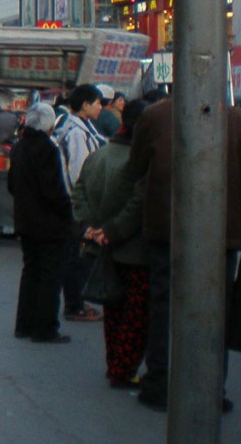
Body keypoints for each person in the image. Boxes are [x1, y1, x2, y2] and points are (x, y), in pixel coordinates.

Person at [124, 97, 241, 412]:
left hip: (168, 226)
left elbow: (134, 167)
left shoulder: (155, 116)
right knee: (218, 307)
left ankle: (161, 381)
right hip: (223, 230)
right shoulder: (235, 118)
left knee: (164, 305)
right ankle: (212, 387)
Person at [72, 99, 149, 387]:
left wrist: (91, 228)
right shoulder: (138, 164)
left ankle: (115, 364)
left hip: (103, 246)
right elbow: (136, 206)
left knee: (114, 311)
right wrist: (109, 230)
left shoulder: (99, 156)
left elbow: (78, 194)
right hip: (133, 248)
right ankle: (123, 369)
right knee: (136, 313)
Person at [8, 103, 74, 344]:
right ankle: (44, 328)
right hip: (49, 223)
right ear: (48, 124)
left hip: (25, 220)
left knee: (31, 271)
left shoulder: (18, 148)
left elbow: (11, 185)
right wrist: (68, 213)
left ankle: (24, 324)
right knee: (50, 275)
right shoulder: (46, 148)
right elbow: (53, 190)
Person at [53, 83, 107, 323]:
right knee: (77, 256)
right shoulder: (76, 133)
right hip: (77, 204)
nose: (100, 107)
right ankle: (75, 305)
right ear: (85, 105)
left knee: (76, 255)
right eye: (97, 102)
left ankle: (76, 303)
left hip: (77, 202)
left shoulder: (82, 128)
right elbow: (79, 172)